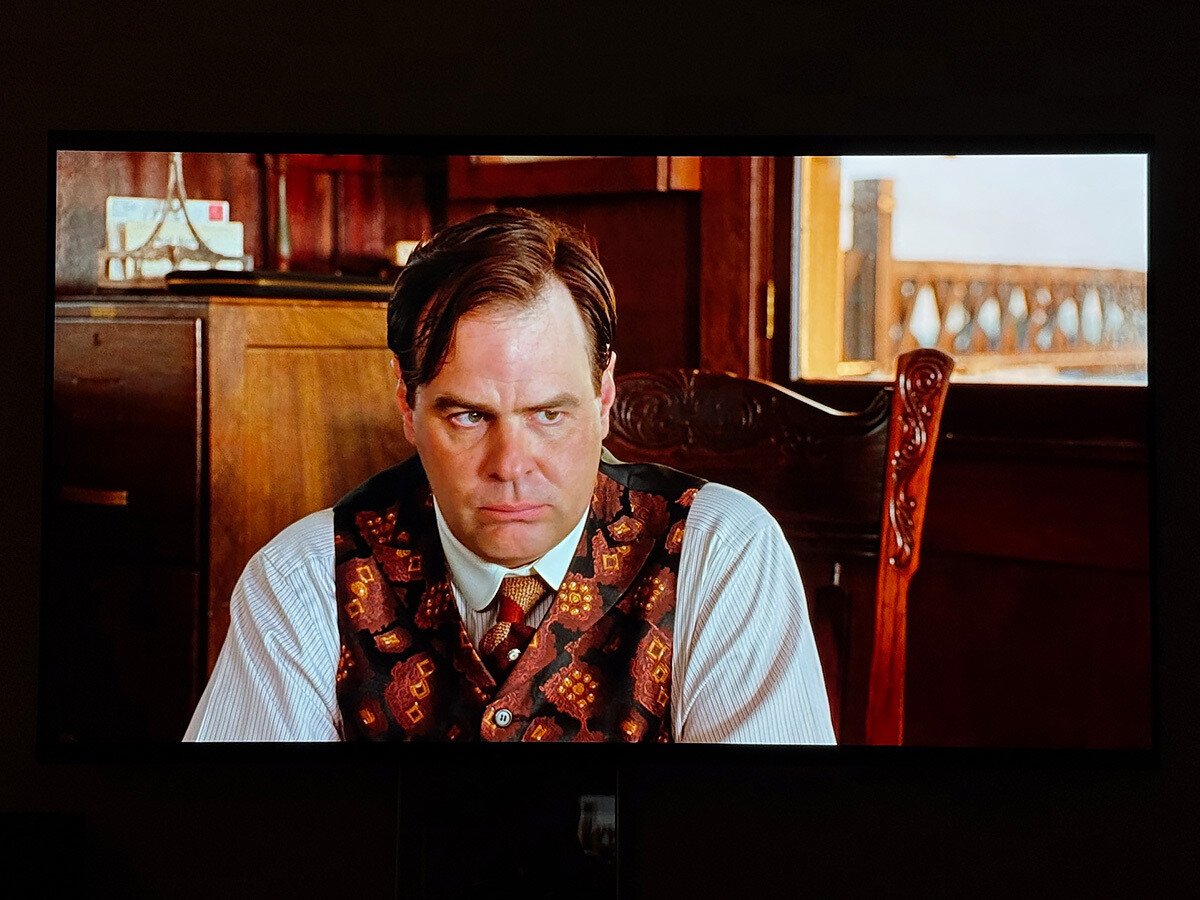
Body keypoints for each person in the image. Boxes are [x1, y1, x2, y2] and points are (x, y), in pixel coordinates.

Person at [185, 209, 835, 743]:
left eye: (549, 414)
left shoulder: (720, 555)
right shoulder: (304, 580)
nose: (511, 465)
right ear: (407, 404)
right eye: (469, 416)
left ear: (604, 395)